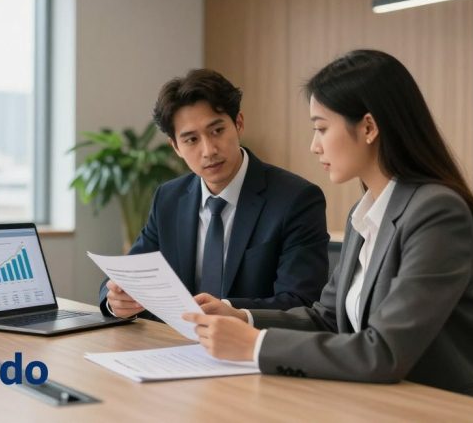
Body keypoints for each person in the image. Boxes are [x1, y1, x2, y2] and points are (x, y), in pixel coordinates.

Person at [182, 50, 473, 402]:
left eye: (321, 128)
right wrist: (243, 319)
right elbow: (327, 319)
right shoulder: (365, 213)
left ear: (368, 127)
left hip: (449, 408)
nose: (314, 145)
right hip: (381, 402)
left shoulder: (437, 213)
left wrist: (256, 345)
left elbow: (383, 352)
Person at [99, 68, 329, 320]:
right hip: (174, 348)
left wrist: (232, 311)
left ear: (238, 123)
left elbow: (302, 302)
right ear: (175, 146)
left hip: (252, 350)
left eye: (217, 131)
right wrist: (116, 300)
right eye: (191, 140)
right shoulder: (169, 199)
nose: (208, 150)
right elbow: (126, 278)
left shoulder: (296, 199)